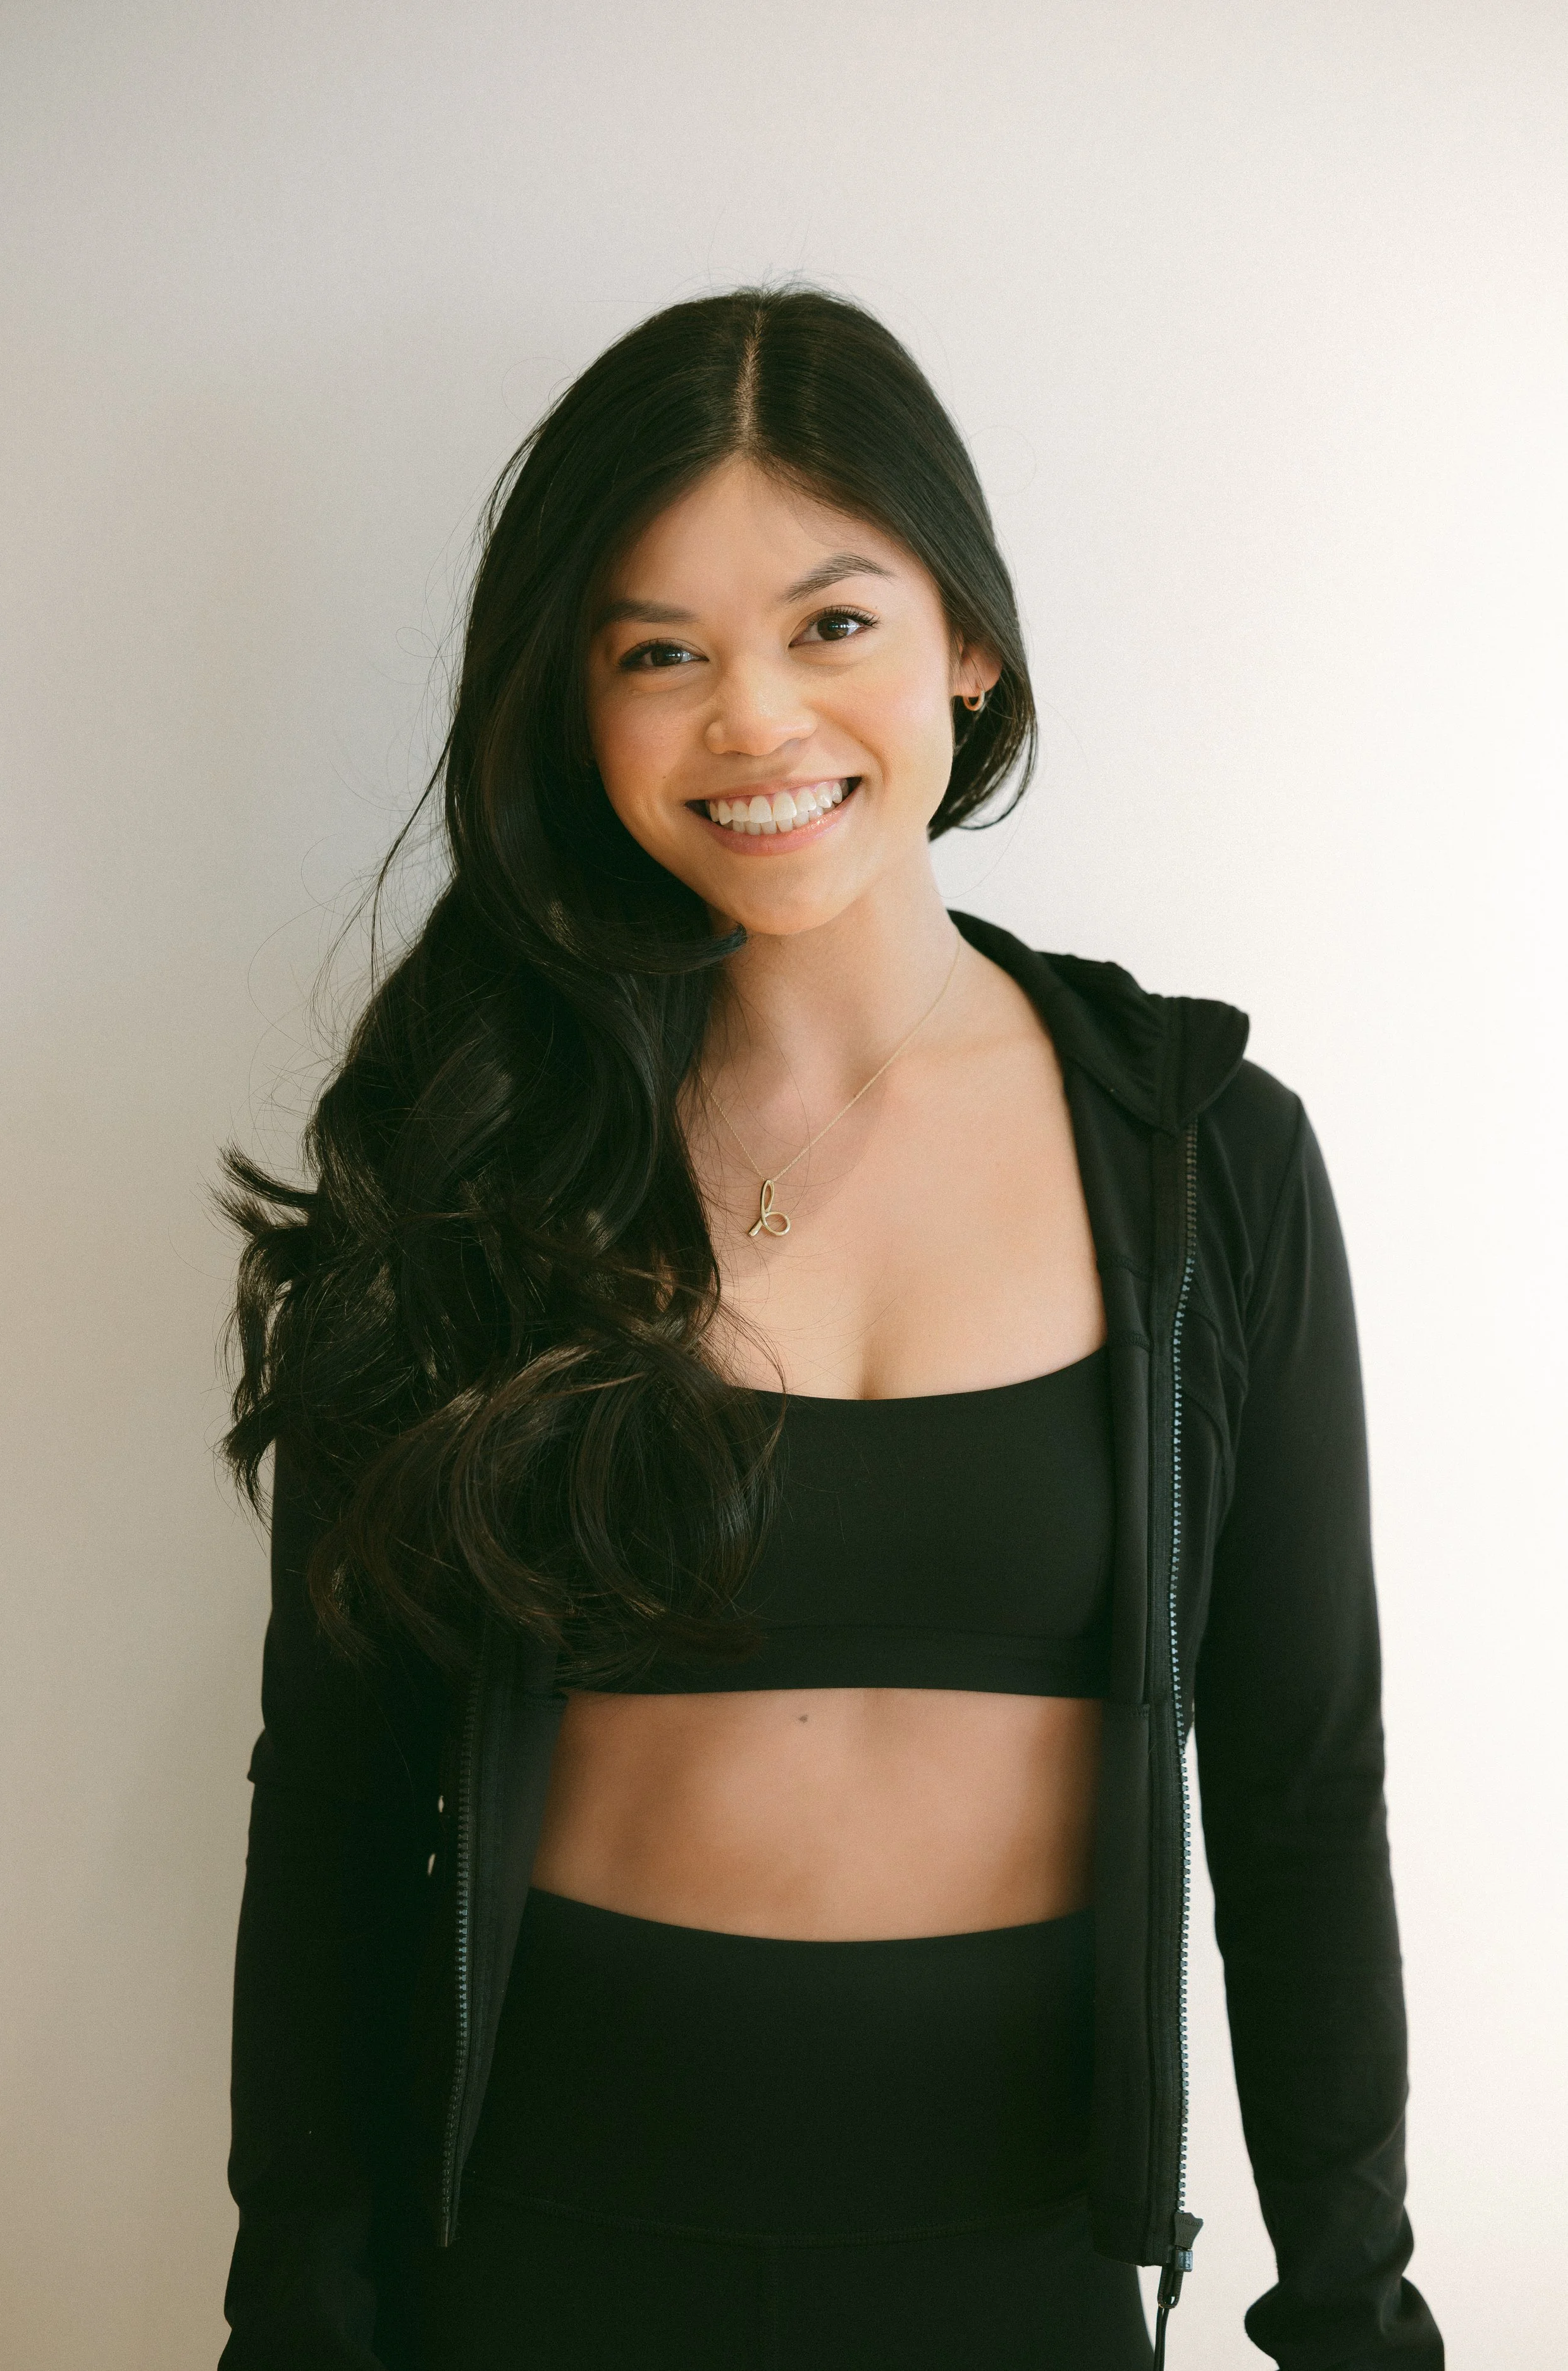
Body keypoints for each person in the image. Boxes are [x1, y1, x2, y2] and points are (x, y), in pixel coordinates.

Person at [217, 287, 1442, 2371]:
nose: (754, 721)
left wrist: (1350, 2306)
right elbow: (334, 1792)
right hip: (532, 2253)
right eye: (658, 654)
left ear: (968, 641)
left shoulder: (1199, 1160)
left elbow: (1301, 1780)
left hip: (1012, 2265)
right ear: (571, 705)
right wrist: (299, 2309)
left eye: (831, 624)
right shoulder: (477, 1143)